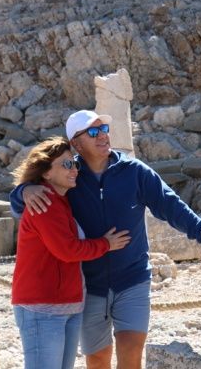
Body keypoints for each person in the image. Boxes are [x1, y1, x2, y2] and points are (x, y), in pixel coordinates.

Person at [10, 110, 201, 369]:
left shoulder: (135, 172)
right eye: (93, 132)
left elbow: (171, 206)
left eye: (104, 130)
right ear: (76, 143)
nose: (102, 136)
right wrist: (24, 190)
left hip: (132, 280)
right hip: (90, 287)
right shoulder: (70, 177)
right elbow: (31, 203)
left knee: (131, 354)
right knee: (98, 360)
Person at [11, 136, 131, 369]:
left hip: (68, 306)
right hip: (41, 308)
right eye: (66, 164)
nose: (74, 169)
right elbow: (67, 250)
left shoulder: (62, 198)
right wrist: (106, 244)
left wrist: (23, 189)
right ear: (46, 173)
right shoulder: (44, 201)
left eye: (74, 163)